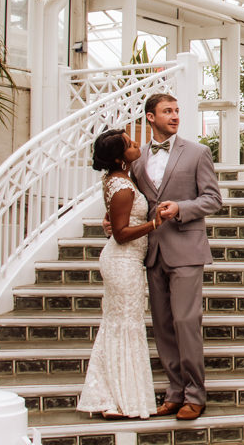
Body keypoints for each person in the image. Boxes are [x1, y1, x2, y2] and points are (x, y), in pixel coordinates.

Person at [129, 93, 222, 421]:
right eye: (167, 111)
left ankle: (196, 394)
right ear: (150, 117)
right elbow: (137, 201)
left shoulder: (198, 153)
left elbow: (213, 199)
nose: (175, 116)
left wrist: (182, 208)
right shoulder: (137, 159)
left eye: (177, 111)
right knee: (164, 326)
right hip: (153, 251)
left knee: (185, 323)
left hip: (186, 250)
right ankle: (174, 392)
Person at [77, 129, 160, 420]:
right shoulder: (122, 186)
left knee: (118, 326)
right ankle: (119, 400)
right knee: (126, 325)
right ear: (118, 157)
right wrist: (154, 224)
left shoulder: (116, 179)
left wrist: (111, 220)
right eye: (129, 143)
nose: (136, 143)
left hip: (123, 260)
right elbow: (123, 234)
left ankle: (110, 398)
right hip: (123, 260)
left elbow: (116, 221)